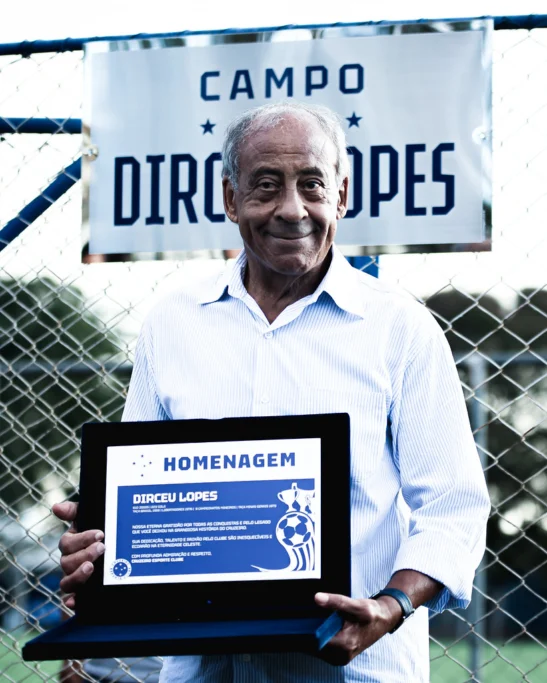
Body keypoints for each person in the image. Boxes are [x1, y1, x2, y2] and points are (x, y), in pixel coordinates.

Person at [53, 100, 490, 683]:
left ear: (342, 194)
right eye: (265, 186)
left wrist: (391, 606)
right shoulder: (172, 323)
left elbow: (453, 509)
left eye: (312, 184)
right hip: (202, 672)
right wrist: (104, 542)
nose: (292, 209)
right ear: (230, 198)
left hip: (357, 671)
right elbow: (141, 492)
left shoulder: (400, 329)